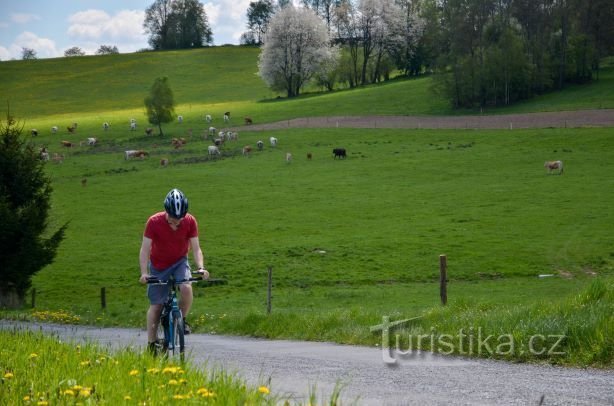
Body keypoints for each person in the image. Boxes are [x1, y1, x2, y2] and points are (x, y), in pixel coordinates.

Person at [139, 188, 209, 353]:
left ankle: (182, 320)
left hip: (179, 262)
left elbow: (196, 248)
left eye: (179, 219)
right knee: (156, 306)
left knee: (186, 287)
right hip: (158, 265)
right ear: (166, 212)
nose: (176, 222)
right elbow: (144, 249)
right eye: (172, 219)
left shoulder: (190, 221)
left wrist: (200, 267)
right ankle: (151, 343)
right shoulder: (154, 222)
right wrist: (144, 272)